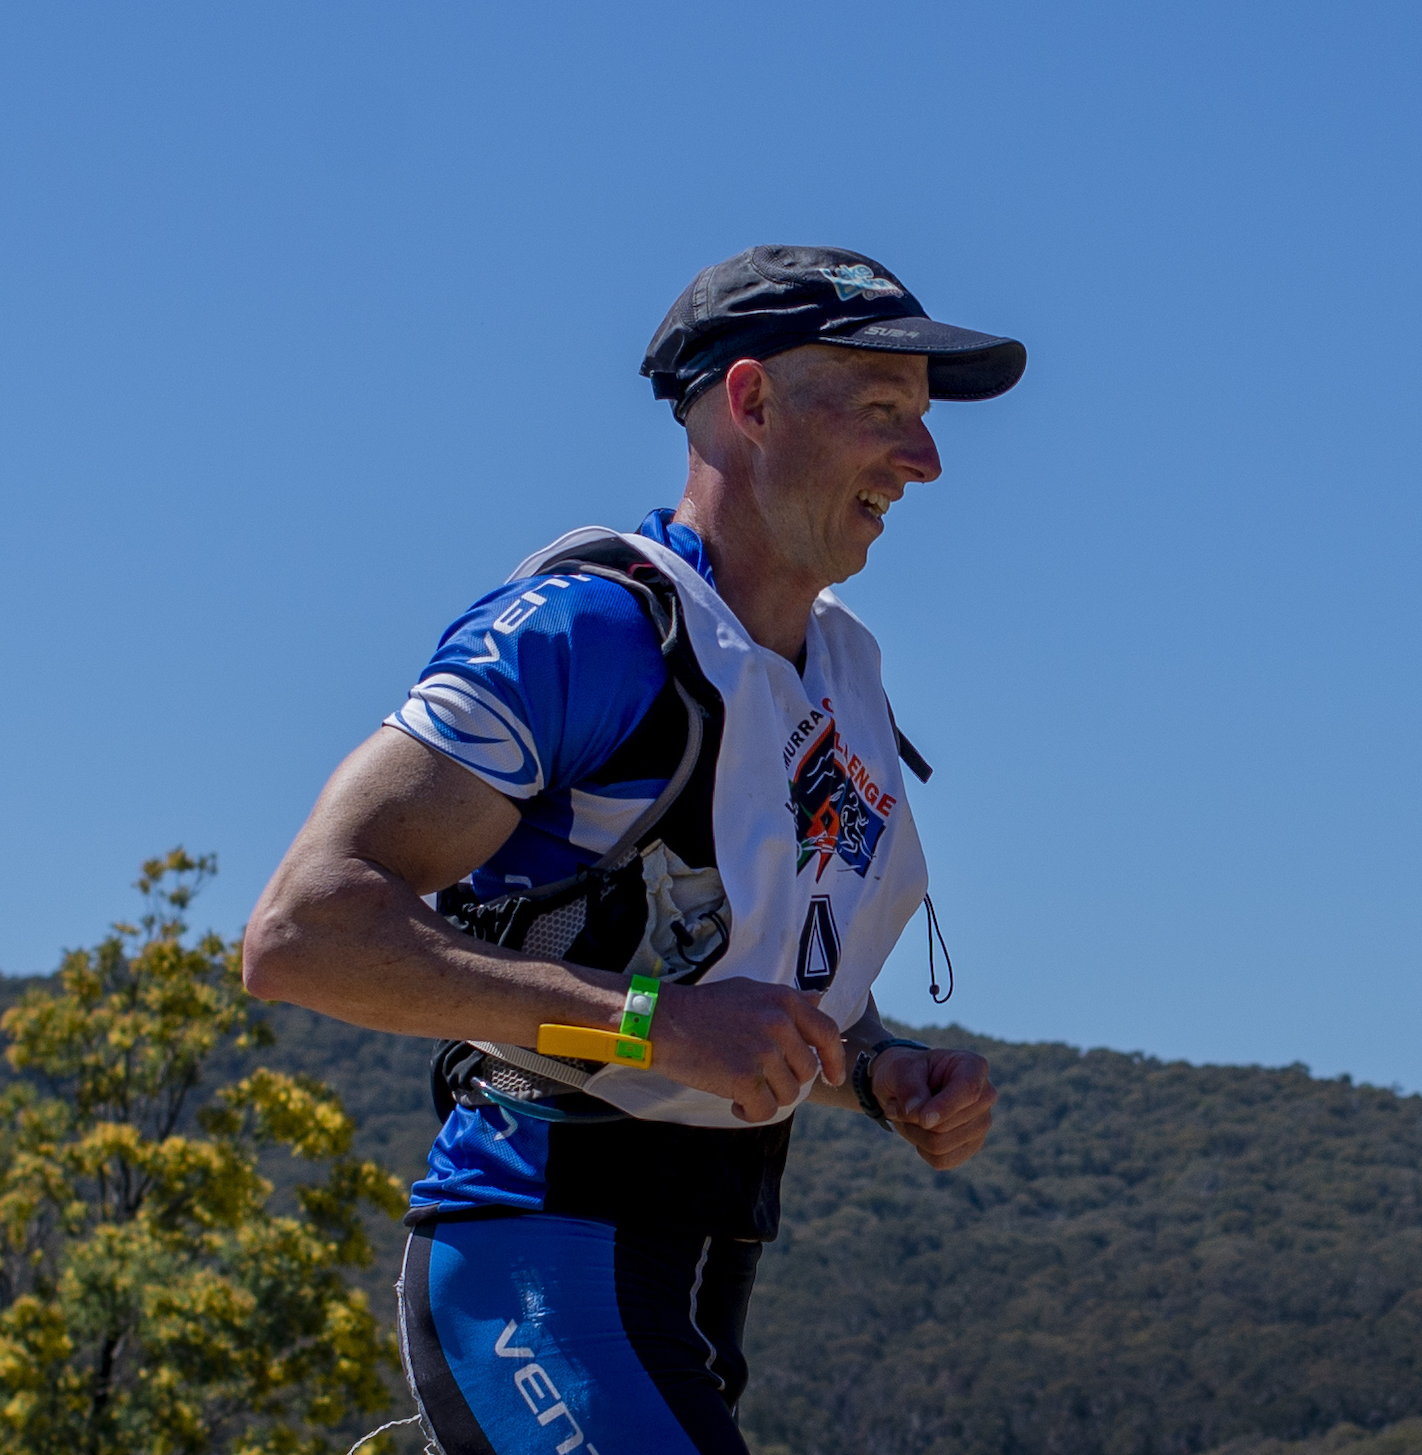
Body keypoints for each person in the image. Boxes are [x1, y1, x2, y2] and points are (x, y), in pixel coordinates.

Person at [243, 245, 1026, 1455]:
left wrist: (876, 1070)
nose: (923, 461)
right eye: (882, 411)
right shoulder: (593, 631)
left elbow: (759, 980)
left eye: (921, 422)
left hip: (698, 1276)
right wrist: (651, 1026)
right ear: (751, 401)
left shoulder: (841, 671)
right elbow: (306, 934)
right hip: (538, 1255)